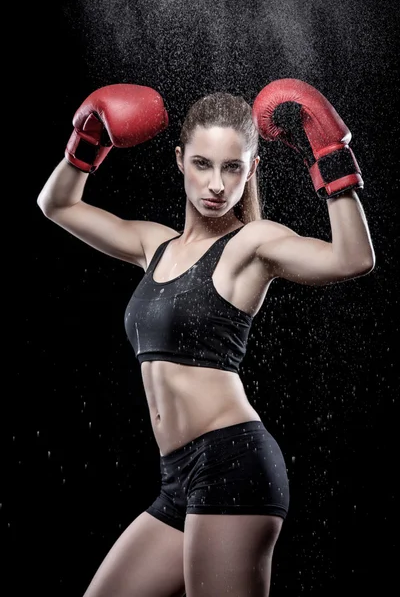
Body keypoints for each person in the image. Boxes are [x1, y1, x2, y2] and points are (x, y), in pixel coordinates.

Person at [37, 79, 375, 597]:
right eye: (202, 164)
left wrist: (330, 154)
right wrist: (87, 142)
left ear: (252, 170)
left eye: (232, 167)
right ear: (179, 161)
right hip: (178, 477)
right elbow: (56, 204)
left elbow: (352, 258)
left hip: (232, 462)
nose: (216, 184)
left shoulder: (253, 244)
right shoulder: (153, 244)